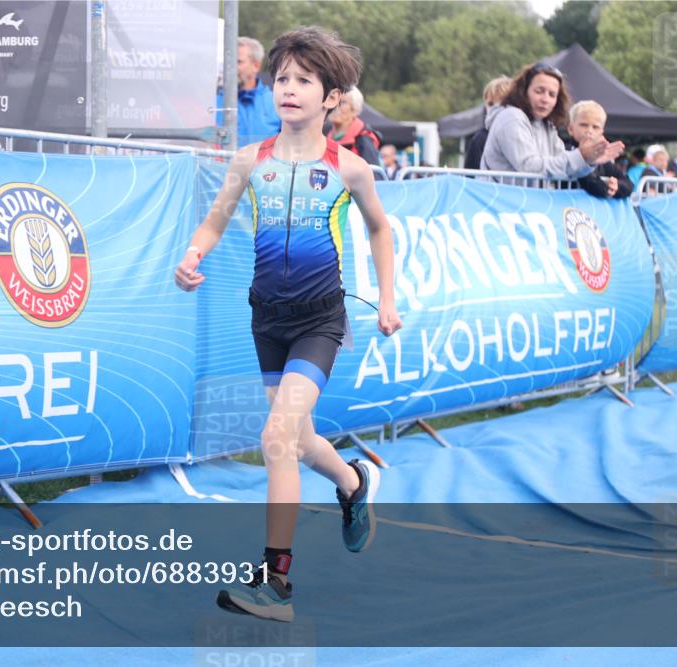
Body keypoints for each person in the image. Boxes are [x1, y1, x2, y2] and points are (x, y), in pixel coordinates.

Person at [174, 26, 401, 622]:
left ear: (331, 97)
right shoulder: (249, 160)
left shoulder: (350, 168)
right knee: (295, 441)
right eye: (282, 79)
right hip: (266, 317)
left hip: (320, 321)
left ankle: (275, 584)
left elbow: (380, 228)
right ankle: (353, 484)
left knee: (276, 438)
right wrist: (193, 255)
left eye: (304, 80)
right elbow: (215, 222)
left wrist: (386, 298)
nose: (289, 89)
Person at [480, 62, 623, 177]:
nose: (545, 99)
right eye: (539, 91)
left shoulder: (546, 126)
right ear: (524, 91)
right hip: (501, 207)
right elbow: (529, 167)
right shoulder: (511, 117)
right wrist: (581, 156)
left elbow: (562, 166)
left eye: (552, 94)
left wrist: (589, 161)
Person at [218, 36, 282, 147]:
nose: (230, 68)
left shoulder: (277, 102)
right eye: (228, 62)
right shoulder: (214, 103)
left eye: (238, 62)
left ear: (256, 66)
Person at [565, 101, 633, 199]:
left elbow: (628, 183)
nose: (589, 131)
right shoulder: (564, 152)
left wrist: (616, 186)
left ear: (601, 133)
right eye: (583, 125)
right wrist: (606, 188)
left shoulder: (601, 157)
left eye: (595, 127)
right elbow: (586, 179)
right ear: (571, 129)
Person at [463, 76, 511, 170]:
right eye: (490, 104)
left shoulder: (523, 133)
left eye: (502, 104)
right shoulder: (480, 139)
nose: (494, 108)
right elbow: (470, 175)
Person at [327, 86, 381, 167]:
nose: (335, 106)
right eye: (333, 100)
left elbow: (375, 174)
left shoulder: (364, 138)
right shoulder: (324, 137)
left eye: (343, 102)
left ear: (354, 110)